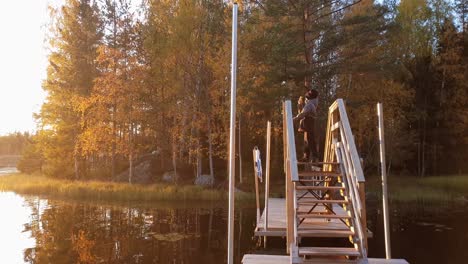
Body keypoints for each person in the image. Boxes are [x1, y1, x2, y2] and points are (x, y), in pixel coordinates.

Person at [293, 89, 319, 162]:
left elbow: (302, 114)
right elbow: (302, 112)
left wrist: (294, 119)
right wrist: (299, 105)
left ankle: (314, 157)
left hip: (308, 123)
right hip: (309, 123)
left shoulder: (309, 104)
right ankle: (306, 157)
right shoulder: (312, 104)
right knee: (307, 140)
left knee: (310, 140)